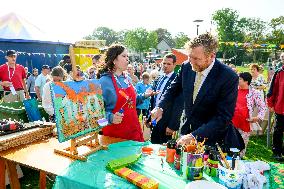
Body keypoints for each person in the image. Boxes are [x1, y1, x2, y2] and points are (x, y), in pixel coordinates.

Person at [151, 33, 244, 149]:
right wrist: (160, 107)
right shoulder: (186, 67)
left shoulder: (228, 77)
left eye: (196, 59)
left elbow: (223, 118)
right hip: (186, 132)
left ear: (211, 56)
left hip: (212, 140)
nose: (191, 62)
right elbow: (173, 90)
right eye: (190, 56)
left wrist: (194, 136)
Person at [98, 44, 155, 142]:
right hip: (114, 137)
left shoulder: (127, 78)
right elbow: (96, 117)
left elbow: (131, 102)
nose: (127, 59)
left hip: (133, 131)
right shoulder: (103, 82)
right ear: (114, 60)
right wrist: (110, 118)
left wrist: (145, 95)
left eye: (127, 56)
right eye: (124, 56)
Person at [147, 53, 184, 144]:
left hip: (167, 121)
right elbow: (154, 100)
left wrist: (172, 125)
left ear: (174, 65)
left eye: (168, 64)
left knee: (164, 147)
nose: (165, 66)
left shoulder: (177, 80)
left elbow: (178, 105)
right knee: (153, 143)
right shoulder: (159, 78)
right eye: (164, 63)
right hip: (155, 119)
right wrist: (149, 118)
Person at [232, 72, 266, 157]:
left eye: (240, 79)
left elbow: (263, 107)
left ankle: (239, 163)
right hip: (231, 123)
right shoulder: (233, 90)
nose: (237, 80)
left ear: (246, 81)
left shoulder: (255, 93)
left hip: (245, 124)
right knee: (230, 145)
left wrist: (258, 118)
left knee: (241, 147)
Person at [267, 52, 284, 161]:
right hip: (280, 108)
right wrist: (270, 103)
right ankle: (277, 152)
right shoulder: (279, 73)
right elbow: (272, 90)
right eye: (283, 57)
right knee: (278, 130)